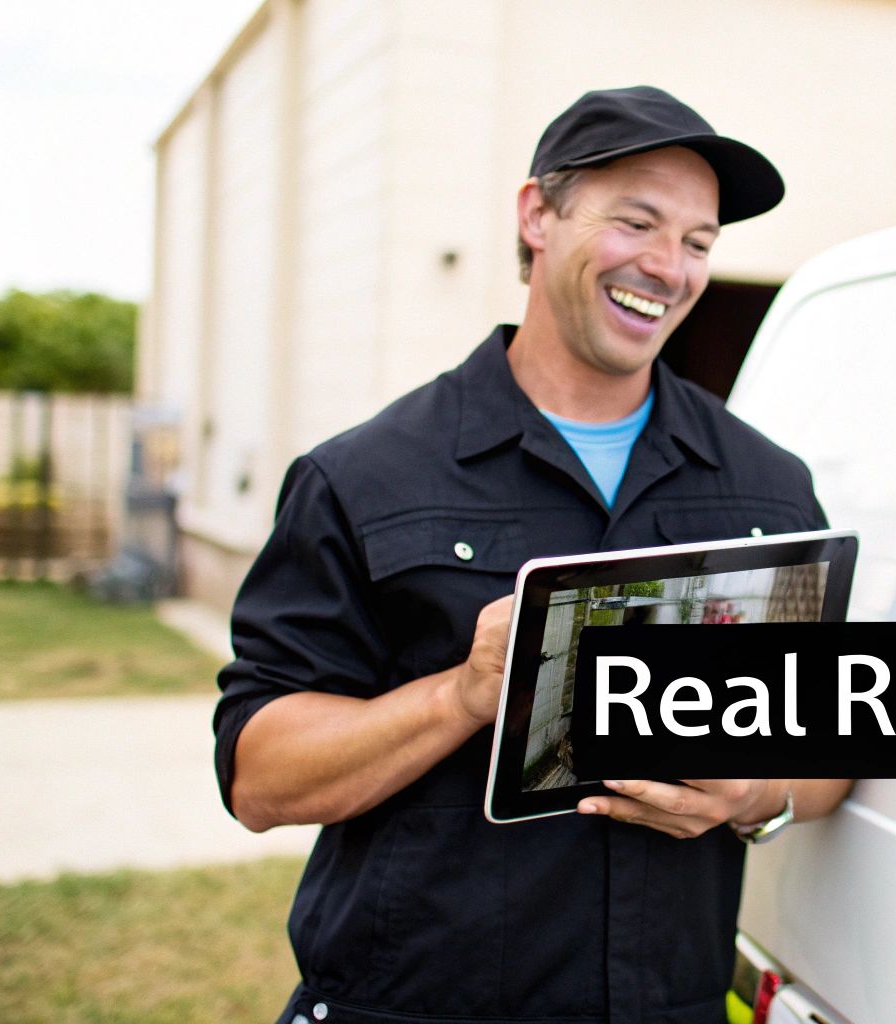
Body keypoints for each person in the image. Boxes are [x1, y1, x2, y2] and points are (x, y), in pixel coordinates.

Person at [213, 86, 853, 1024]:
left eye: (698, 242)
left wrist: (754, 792)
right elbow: (259, 778)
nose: (667, 266)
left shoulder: (768, 488)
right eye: (637, 221)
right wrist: (460, 695)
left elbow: (833, 735)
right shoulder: (365, 476)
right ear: (536, 215)